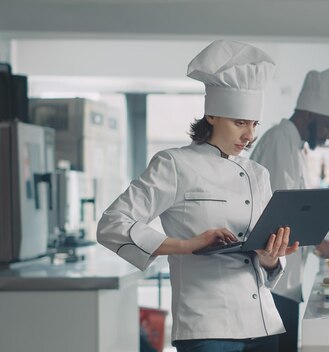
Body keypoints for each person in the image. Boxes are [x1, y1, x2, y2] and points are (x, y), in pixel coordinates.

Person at [97, 40, 299, 352]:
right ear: (212, 116)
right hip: (207, 328)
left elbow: (264, 266)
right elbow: (112, 224)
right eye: (240, 122)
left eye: (254, 124)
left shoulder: (258, 174)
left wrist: (271, 258)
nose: (250, 135)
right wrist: (187, 245)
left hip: (262, 324)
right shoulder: (174, 164)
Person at [250, 67, 329, 352]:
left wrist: (328, 241)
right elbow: (283, 213)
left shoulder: (297, 147)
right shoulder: (280, 138)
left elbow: (300, 211)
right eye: (328, 126)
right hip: (271, 285)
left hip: (286, 284)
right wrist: (321, 242)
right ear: (309, 114)